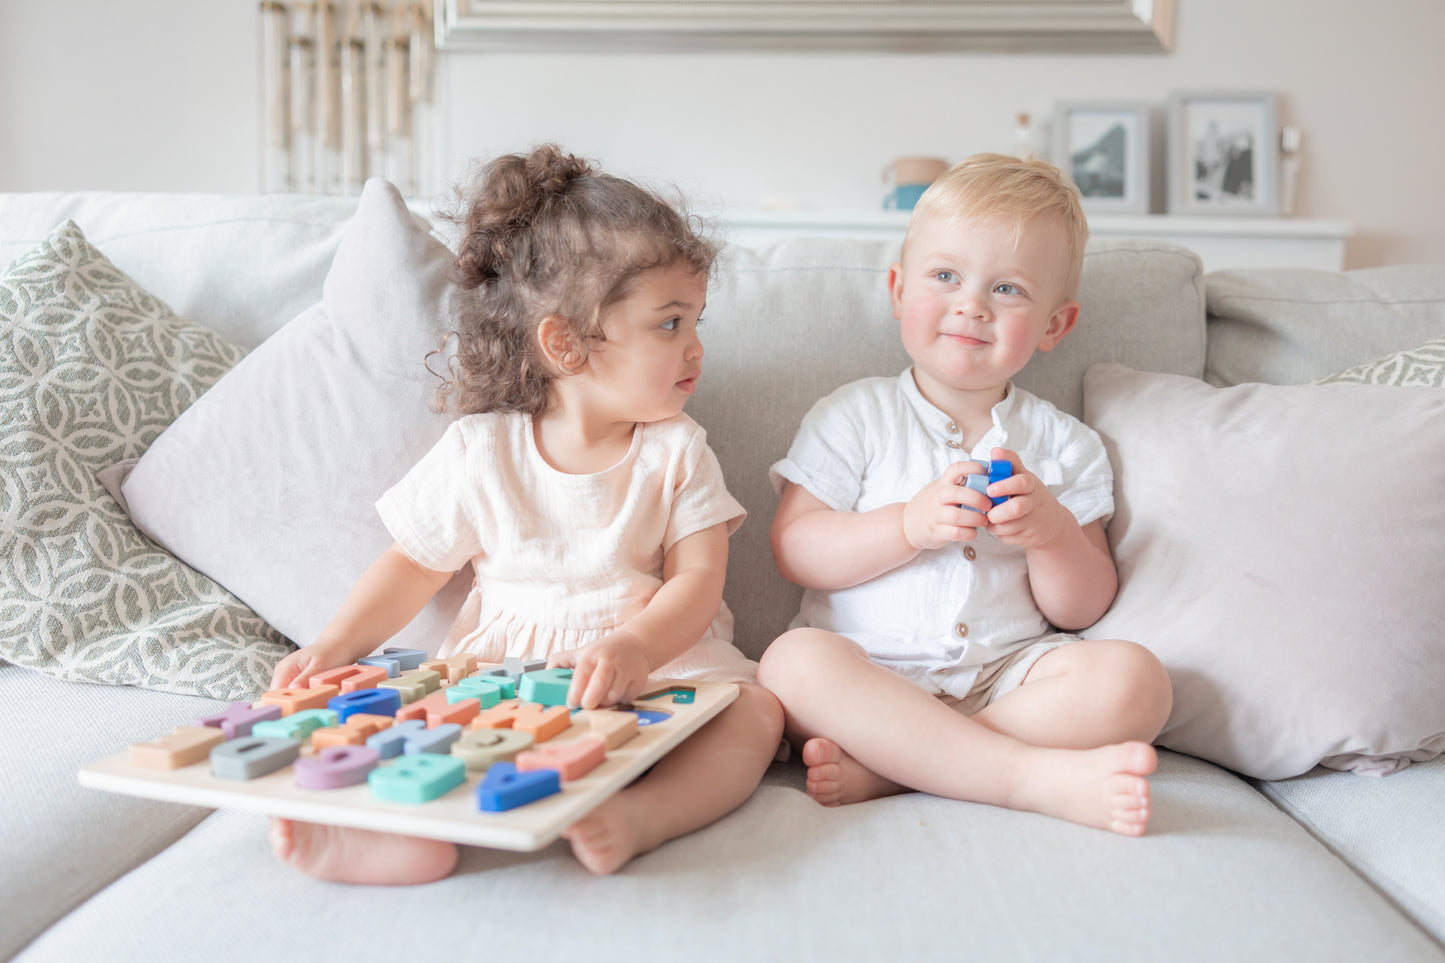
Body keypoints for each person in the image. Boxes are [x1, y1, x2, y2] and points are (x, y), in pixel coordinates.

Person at [268, 144, 783, 882]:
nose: (695, 346)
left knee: (755, 714)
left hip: (659, 663)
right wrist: (337, 642)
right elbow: (414, 563)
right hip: (506, 673)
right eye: (669, 324)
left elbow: (698, 580)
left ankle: (644, 814)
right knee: (416, 724)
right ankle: (404, 835)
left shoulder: (677, 450)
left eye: (697, 320)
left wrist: (635, 648)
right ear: (565, 343)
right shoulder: (482, 450)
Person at [757, 153, 1172, 836]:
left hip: (1006, 675)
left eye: (1007, 289)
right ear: (897, 290)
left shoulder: (1065, 443)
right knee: (790, 663)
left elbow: (1083, 606)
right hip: (868, 676)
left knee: (1137, 680)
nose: (970, 305)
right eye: (945, 276)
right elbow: (794, 548)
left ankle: (902, 768)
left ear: (1053, 326)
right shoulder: (854, 415)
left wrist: (1053, 535)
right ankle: (1022, 776)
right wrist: (906, 526)